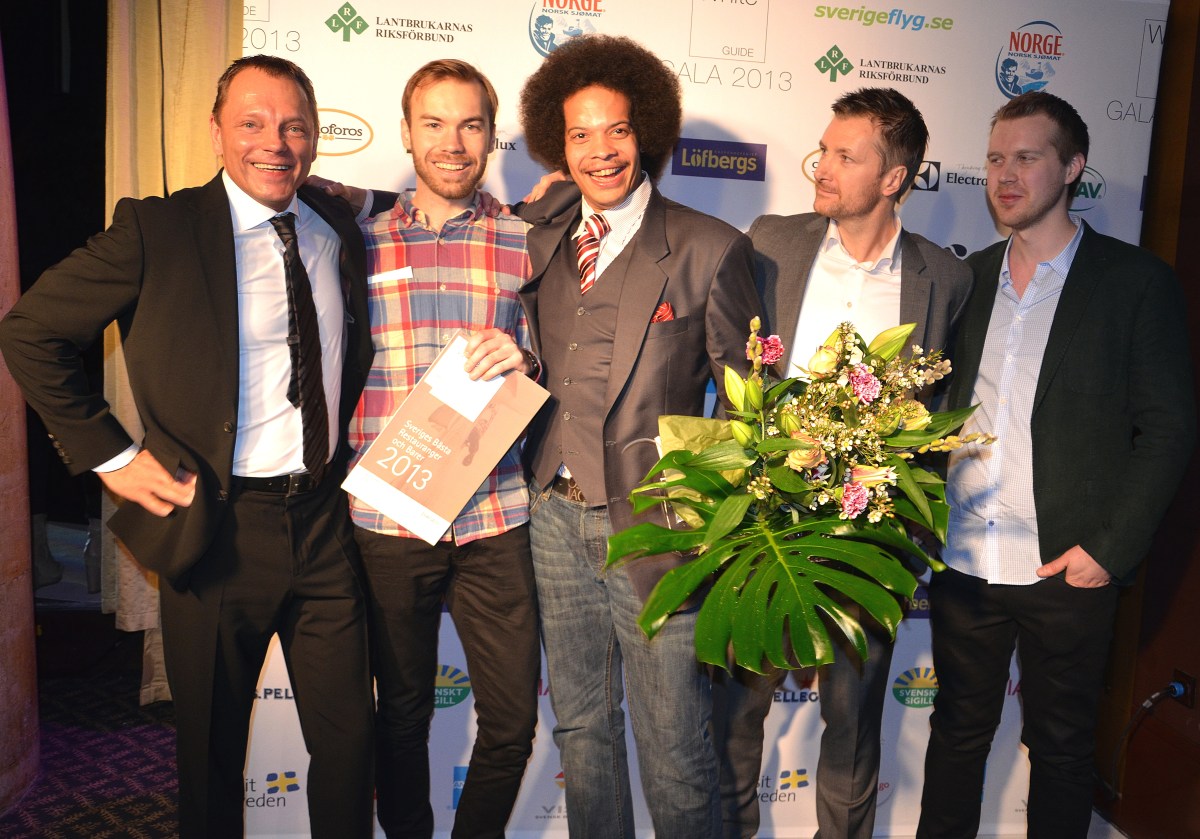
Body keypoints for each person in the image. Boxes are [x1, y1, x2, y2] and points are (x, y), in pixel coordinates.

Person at [0, 55, 376, 838]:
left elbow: (418, 210)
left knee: (350, 748)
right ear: (215, 131)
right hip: (215, 530)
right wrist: (112, 456)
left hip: (324, 525)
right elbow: (30, 331)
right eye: (252, 123)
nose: (274, 142)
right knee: (212, 757)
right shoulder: (158, 230)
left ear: (314, 137)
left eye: (294, 126)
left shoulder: (334, 225)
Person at [917, 91, 1195, 838]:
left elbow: (1169, 428)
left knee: (1064, 751)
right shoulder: (967, 278)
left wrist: (1108, 550)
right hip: (965, 558)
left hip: (1066, 565)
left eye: (1027, 157)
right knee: (955, 735)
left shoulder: (1134, 282)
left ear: (1073, 167)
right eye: (995, 159)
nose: (1005, 175)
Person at [516, 34, 762, 838]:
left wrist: (703, 511)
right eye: (580, 134)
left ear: (645, 131)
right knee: (583, 730)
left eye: (617, 130)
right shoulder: (541, 234)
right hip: (553, 516)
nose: (601, 151)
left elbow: (746, 401)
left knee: (675, 746)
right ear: (559, 147)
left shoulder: (709, 247)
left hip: (661, 529)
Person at [713, 87, 973, 839]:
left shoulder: (945, 279)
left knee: (853, 725)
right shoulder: (770, 242)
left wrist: (910, 531)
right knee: (735, 716)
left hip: (872, 542)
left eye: (844, 157)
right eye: (823, 150)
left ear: (893, 178)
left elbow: (943, 415)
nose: (821, 167)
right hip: (765, 527)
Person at [346, 59, 540, 839]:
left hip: (496, 512)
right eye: (433, 123)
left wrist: (529, 357)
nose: (452, 142)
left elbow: (557, 353)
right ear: (405, 132)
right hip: (388, 517)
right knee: (399, 715)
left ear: (491, 137)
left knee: (512, 721)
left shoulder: (530, 243)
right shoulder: (354, 243)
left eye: (469, 124)